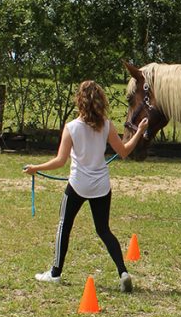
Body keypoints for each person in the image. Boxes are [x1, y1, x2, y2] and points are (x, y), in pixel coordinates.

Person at [24, 80, 149, 292]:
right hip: (101, 186)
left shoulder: (71, 127)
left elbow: (60, 161)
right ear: (100, 101)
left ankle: (55, 273)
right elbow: (124, 152)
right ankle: (123, 272)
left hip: (78, 185)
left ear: (80, 101)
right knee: (104, 230)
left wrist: (36, 167)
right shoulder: (107, 125)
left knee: (64, 226)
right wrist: (140, 131)